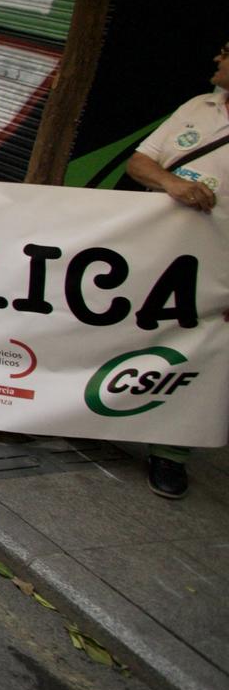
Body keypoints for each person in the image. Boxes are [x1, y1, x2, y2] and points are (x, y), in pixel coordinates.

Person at [121, 38, 228, 500]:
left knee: (199, 349)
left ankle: (171, 452)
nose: (216, 59)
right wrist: (172, 183)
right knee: (124, 331)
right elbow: (140, 162)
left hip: (218, 267)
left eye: (226, 52)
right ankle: (92, 417)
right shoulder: (198, 105)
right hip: (158, 250)